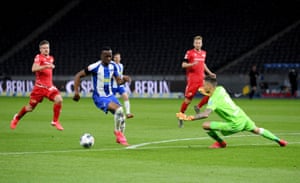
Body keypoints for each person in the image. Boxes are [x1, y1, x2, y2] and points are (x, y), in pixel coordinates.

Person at [176, 76, 288, 148]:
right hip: (242, 116)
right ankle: (279, 141)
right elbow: (211, 93)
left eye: (204, 84)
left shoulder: (214, 99)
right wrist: (205, 94)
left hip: (236, 123)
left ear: (209, 86)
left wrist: (189, 117)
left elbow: (205, 114)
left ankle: (221, 143)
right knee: (257, 130)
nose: (203, 86)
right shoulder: (221, 89)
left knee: (205, 125)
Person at [73, 46, 131, 146]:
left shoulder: (113, 66)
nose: (109, 58)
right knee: (119, 110)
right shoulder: (95, 67)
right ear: (102, 56)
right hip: (99, 97)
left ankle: (120, 136)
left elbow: (118, 81)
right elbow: (78, 75)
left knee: (122, 117)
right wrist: (76, 92)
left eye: (110, 56)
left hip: (110, 95)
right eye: (106, 56)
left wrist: (124, 80)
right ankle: (118, 133)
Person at [10, 40, 64, 130]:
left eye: (47, 48)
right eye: (44, 48)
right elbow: (34, 69)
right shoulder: (38, 57)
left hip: (49, 87)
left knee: (59, 100)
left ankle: (55, 121)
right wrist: (46, 66)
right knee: (30, 108)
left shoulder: (51, 58)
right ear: (40, 49)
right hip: (39, 88)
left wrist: (48, 66)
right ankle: (16, 118)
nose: (46, 50)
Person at [177, 35, 216, 128]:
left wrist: (210, 73)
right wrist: (192, 64)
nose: (198, 44)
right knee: (187, 100)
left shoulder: (204, 53)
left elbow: (203, 64)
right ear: (194, 43)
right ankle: (180, 116)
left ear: (201, 43)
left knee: (211, 94)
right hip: (192, 81)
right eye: (196, 43)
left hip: (202, 80)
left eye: (199, 43)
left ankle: (198, 106)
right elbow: (183, 65)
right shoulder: (189, 53)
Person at [112, 52, 134, 119]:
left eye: (119, 57)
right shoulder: (112, 65)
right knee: (111, 100)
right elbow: (114, 74)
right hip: (113, 85)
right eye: (117, 57)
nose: (119, 58)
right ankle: (116, 112)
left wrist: (124, 77)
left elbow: (120, 74)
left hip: (120, 85)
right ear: (114, 58)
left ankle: (128, 113)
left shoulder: (121, 65)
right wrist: (124, 77)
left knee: (126, 97)